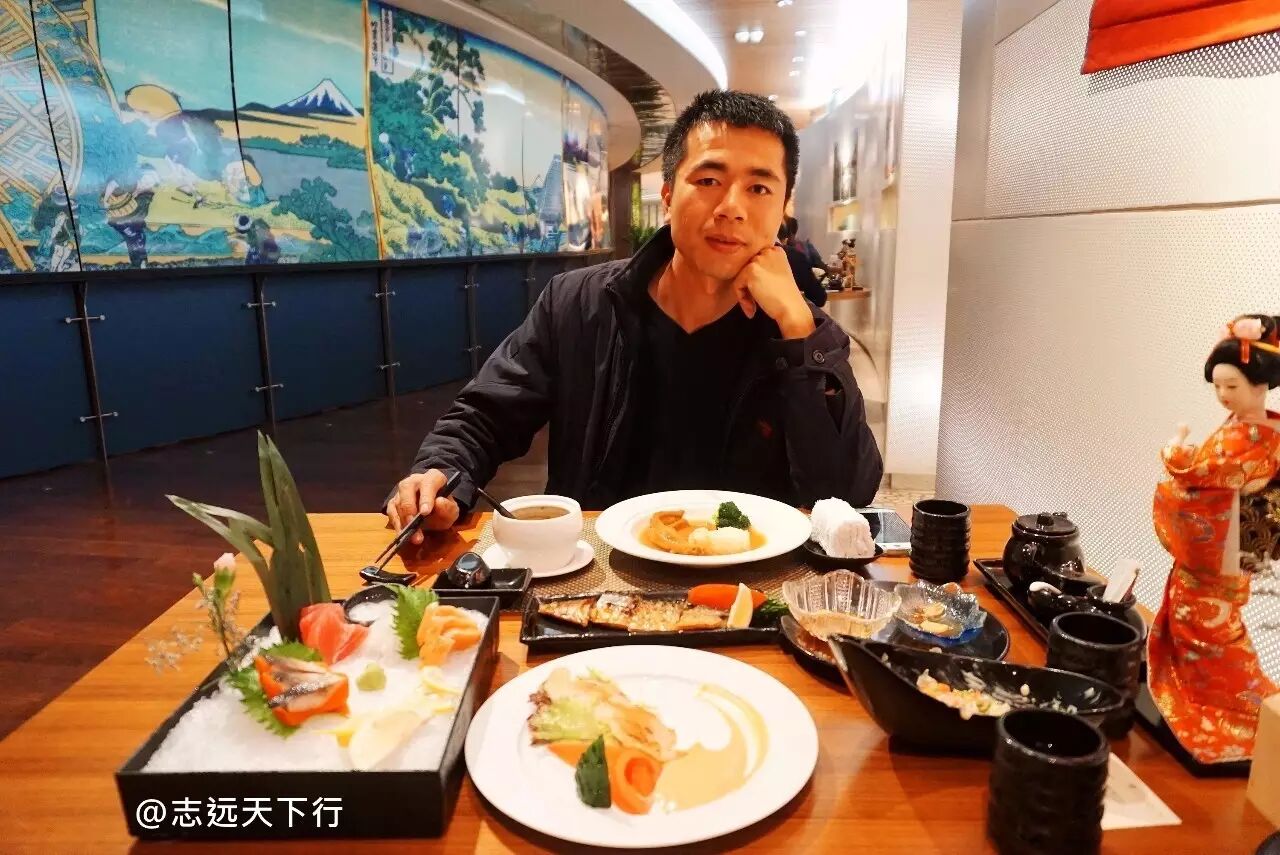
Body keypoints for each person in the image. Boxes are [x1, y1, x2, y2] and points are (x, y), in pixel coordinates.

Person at [386, 90, 883, 541]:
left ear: (782, 210)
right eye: (709, 180)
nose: (732, 207)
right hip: (595, 576)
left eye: (759, 188)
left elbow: (846, 495)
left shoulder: (803, 335)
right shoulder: (578, 303)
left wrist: (798, 329)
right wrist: (439, 473)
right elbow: (486, 415)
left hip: (748, 586)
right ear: (668, 196)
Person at [1148, 313, 1280, 764]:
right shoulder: (1253, 427)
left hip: (1222, 548)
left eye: (1232, 385)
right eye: (1218, 386)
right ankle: (1217, 701)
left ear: (1260, 385)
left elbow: (1202, 471)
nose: (1223, 394)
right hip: (1223, 545)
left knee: (1209, 631)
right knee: (1201, 625)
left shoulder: (1253, 435)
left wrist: (1175, 448)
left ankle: (1242, 711)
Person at [778, 216, 827, 307]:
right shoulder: (795, 256)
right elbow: (819, 298)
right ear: (786, 238)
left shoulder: (752, 255)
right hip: (789, 311)